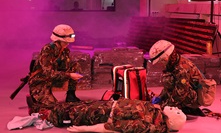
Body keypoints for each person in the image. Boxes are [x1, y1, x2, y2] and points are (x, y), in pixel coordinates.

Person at [31, 97, 186, 133]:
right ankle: (40, 108)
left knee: (65, 114)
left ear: (171, 120)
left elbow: (112, 128)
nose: (175, 108)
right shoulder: (156, 112)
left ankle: (39, 114)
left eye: (177, 112)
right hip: (106, 106)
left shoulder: (146, 125)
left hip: (102, 114)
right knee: (68, 105)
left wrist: (85, 129)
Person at [28, 24, 83, 106]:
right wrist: (69, 75)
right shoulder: (48, 50)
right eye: (65, 42)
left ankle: (71, 95)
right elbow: (48, 73)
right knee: (54, 108)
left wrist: (72, 75)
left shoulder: (65, 51)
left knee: (75, 65)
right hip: (41, 81)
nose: (67, 44)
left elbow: (65, 68)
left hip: (53, 78)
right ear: (58, 40)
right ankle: (34, 98)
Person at [149, 40, 206, 115]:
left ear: (165, 58)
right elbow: (168, 86)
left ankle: (186, 107)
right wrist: (161, 97)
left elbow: (181, 93)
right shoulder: (173, 61)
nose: (160, 64)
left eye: (161, 61)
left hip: (192, 97)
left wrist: (163, 106)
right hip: (183, 90)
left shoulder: (181, 69)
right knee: (169, 80)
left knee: (175, 86)